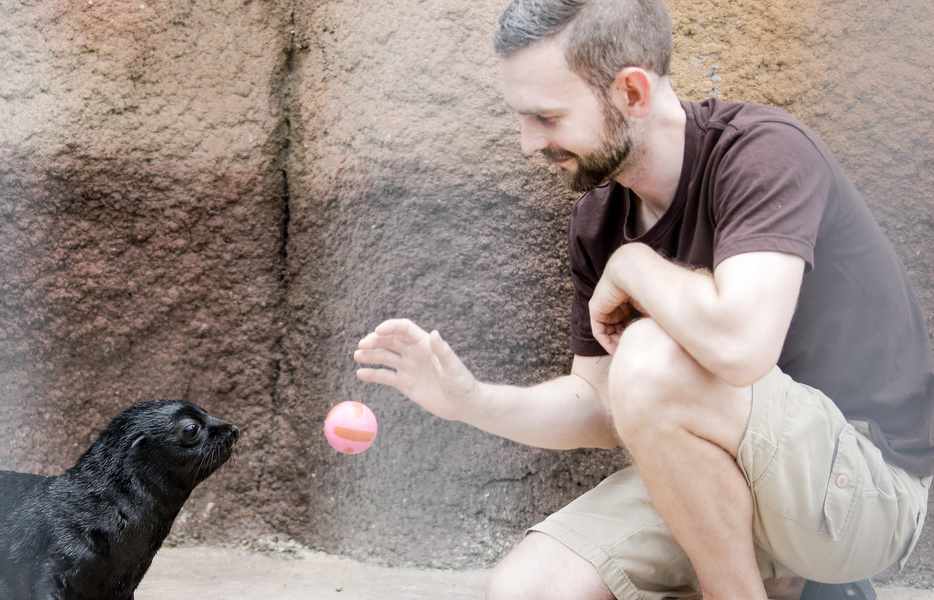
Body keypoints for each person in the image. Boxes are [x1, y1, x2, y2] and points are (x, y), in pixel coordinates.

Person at [352, 0, 934, 599]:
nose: (528, 143)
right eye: (521, 117)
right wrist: (469, 400)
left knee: (653, 353)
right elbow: (603, 406)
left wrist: (635, 264)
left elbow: (740, 346)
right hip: (726, 477)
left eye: (547, 117)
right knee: (529, 589)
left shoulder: (763, 153)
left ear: (631, 92)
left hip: (862, 487)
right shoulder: (598, 219)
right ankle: (793, 587)